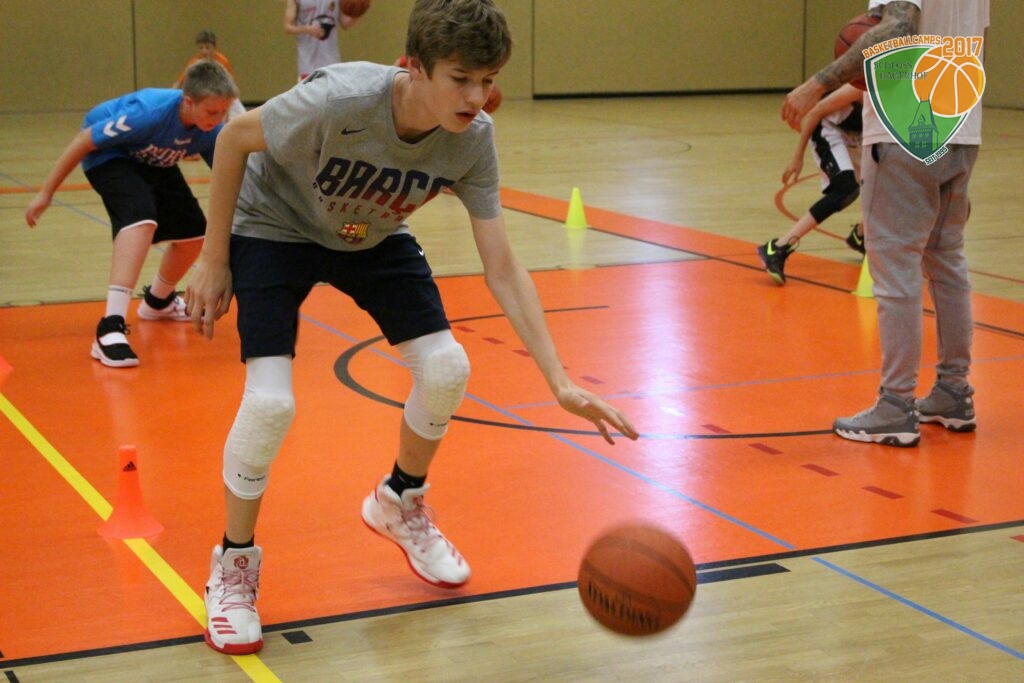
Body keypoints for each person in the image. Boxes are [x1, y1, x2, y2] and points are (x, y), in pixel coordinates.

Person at [186, 0, 639, 655]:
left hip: (369, 231)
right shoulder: (341, 99)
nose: (477, 97)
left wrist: (560, 381)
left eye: (488, 80)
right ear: (414, 68)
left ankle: (398, 499)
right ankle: (232, 565)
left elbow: (503, 266)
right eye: (461, 79)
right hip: (274, 225)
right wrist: (213, 256)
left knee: (448, 366)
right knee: (271, 403)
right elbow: (232, 139)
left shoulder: (472, 137)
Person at [783, 0, 988, 446]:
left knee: (896, 271)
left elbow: (898, 29)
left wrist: (817, 84)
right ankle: (954, 391)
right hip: (961, 122)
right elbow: (980, 43)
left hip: (904, 126)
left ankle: (896, 404)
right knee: (948, 263)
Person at [25, 61, 239, 368]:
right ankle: (109, 326)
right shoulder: (148, 113)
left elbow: (229, 177)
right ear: (188, 102)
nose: (217, 119)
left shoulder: (209, 131)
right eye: (212, 112)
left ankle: (158, 302)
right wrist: (46, 192)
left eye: (223, 112)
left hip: (152, 158)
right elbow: (84, 140)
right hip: (110, 154)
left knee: (195, 233)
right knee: (140, 220)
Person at [757, 83, 865, 285]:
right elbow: (815, 113)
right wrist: (797, 157)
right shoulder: (860, 88)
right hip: (828, 129)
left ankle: (860, 235)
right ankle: (777, 248)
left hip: (857, 134)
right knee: (845, 189)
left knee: (883, 186)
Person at [172, 29, 246, 121]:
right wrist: (172, 95)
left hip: (222, 94)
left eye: (207, 48)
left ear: (214, 48)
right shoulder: (194, 62)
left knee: (239, 114)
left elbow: (230, 83)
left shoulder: (222, 61)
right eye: (201, 48)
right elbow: (181, 81)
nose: (204, 51)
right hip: (205, 95)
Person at [284, 0, 366, 81]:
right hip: (307, 65)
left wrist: (360, 10)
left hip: (332, 64)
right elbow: (288, 27)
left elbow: (345, 24)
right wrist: (307, 29)